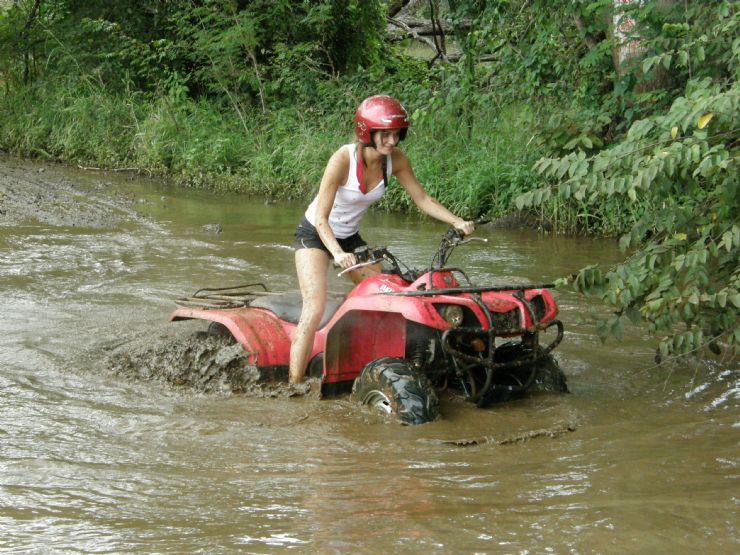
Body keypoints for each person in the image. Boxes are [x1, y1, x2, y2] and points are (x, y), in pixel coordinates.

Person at [289, 94, 474, 384]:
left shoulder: (395, 161)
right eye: (385, 134)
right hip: (315, 234)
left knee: (387, 293)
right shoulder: (342, 160)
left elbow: (422, 198)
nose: (392, 141)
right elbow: (322, 218)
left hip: (349, 237)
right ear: (367, 133)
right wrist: (337, 254)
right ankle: (294, 385)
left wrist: (457, 221)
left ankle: (376, 361)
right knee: (313, 307)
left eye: (396, 134)